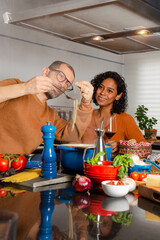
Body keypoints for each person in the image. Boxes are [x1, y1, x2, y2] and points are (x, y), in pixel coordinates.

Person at [0, 61, 93, 154]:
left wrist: (86, 103)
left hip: (16, 166)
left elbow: (72, 135)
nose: (62, 85)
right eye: (61, 76)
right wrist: (25, 88)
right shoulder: (15, 85)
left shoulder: (50, 115)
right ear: (45, 72)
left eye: (67, 84)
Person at [80, 71, 146, 152]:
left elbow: (145, 149)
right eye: (101, 87)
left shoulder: (125, 119)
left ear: (118, 96)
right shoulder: (86, 115)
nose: (102, 93)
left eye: (110, 91)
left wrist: (120, 146)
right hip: (84, 162)